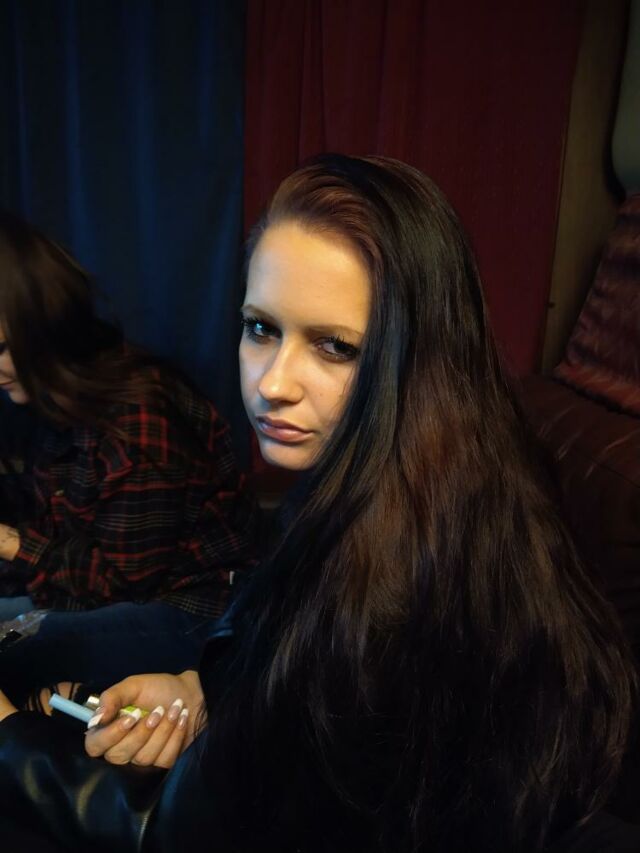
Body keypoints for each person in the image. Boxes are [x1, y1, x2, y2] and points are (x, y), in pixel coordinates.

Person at [0, 154, 637, 852]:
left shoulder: (394, 590)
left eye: (334, 346)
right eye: (261, 328)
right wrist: (201, 691)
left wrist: (6, 734)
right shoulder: (390, 480)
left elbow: (180, 833)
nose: (273, 383)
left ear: (419, 357)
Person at [0, 212, 257, 705]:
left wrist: (11, 544)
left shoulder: (137, 413)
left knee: (12, 651)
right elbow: (59, 541)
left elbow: (123, 584)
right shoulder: (53, 405)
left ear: (44, 329)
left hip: (185, 610)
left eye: (1, 347)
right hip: (105, 596)